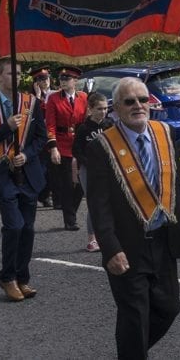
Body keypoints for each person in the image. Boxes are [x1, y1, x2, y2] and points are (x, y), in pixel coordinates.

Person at [84, 77, 180, 359]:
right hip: (128, 245)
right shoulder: (102, 146)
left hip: (163, 239)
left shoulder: (165, 133)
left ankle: (130, 352)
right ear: (116, 108)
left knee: (169, 307)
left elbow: (178, 184)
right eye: (129, 101)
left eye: (143, 100)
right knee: (135, 314)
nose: (138, 106)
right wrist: (110, 248)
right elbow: (99, 205)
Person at [0, 56, 47, 302]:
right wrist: (6, 127)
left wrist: (26, 155)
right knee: (14, 226)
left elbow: (41, 138)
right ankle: (7, 277)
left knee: (27, 228)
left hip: (27, 173)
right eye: (10, 73)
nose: (15, 78)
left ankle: (22, 277)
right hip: (1, 174)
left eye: (18, 73)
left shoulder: (32, 103)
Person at [45, 66, 88, 230]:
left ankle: (70, 211)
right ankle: (70, 220)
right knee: (68, 184)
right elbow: (50, 125)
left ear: (75, 81)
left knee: (82, 183)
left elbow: (84, 121)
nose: (63, 82)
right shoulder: (54, 99)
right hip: (62, 144)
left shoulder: (83, 97)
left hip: (78, 143)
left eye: (67, 79)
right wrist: (53, 147)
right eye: (61, 79)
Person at [72, 92, 114, 252]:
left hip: (108, 168)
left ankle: (110, 234)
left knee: (110, 201)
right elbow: (76, 150)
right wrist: (89, 163)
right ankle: (92, 238)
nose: (103, 112)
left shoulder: (110, 124)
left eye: (105, 108)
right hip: (88, 170)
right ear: (90, 109)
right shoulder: (83, 128)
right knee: (93, 201)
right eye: (99, 109)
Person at [29, 66, 55, 209]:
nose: (44, 81)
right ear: (35, 83)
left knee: (50, 169)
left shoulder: (56, 94)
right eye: (40, 79)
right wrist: (38, 97)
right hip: (38, 137)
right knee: (41, 168)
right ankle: (38, 194)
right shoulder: (32, 97)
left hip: (52, 135)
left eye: (46, 78)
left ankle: (46, 195)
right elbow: (34, 114)